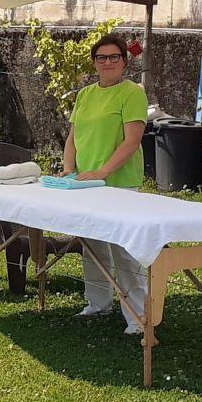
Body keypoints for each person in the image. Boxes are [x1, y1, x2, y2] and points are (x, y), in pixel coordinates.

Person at [63, 34, 148, 333]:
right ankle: (98, 304)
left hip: (120, 183)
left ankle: (138, 317)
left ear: (124, 61)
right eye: (102, 57)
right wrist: (69, 169)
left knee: (124, 250)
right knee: (93, 247)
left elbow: (132, 141)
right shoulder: (85, 94)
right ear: (94, 62)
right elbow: (73, 137)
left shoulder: (132, 93)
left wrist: (102, 171)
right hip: (85, 183)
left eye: (114, 57)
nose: (108, 62)